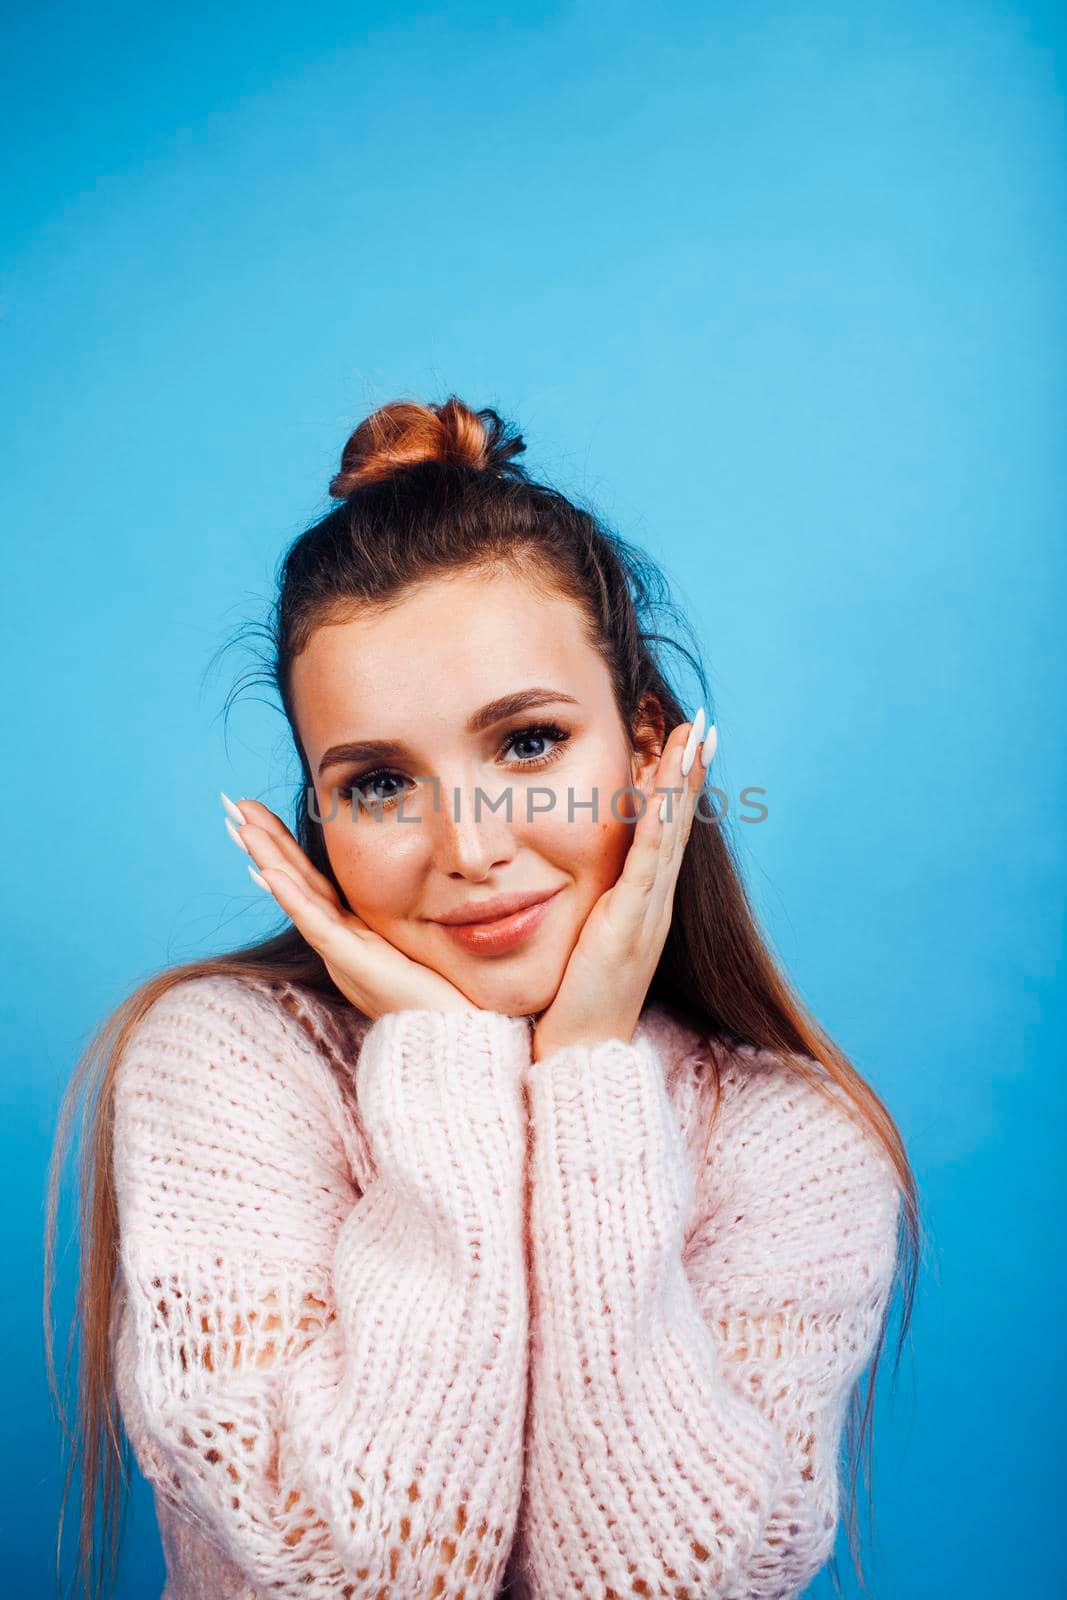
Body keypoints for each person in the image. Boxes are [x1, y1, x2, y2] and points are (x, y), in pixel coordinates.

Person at [46, 395, 921, 1600]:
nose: (467, 846)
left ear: (650, 749)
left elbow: (658, 1585)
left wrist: (585, 1078)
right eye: (378, 783)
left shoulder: (797, 1138)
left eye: (525, 745)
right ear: (321, 820)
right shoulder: (226, 1064)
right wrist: (445, 1059)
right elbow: (357, 1576)